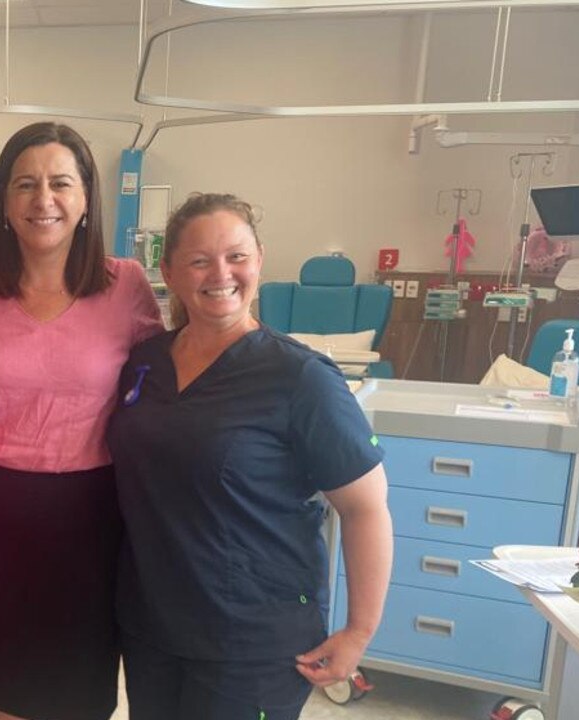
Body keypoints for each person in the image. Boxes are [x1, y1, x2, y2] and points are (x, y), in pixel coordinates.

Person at [106, 193, 393, 720]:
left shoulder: (300, 377)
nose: (221, 273)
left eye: (236, 256)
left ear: (259, 258)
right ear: (168, 271)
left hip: (253, 641)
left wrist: (358, 631)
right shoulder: (144, 364)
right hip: (153, 627)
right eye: (198, 260)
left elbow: (365, 506)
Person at [0, 121, 163, 720]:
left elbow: (165, 388)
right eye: (26, 184)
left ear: (87, 197)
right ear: (4, 203)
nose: (44, 200)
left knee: (78, 694)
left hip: (92, 517)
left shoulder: (127, 286)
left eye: (61, 183)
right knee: (4, 693)